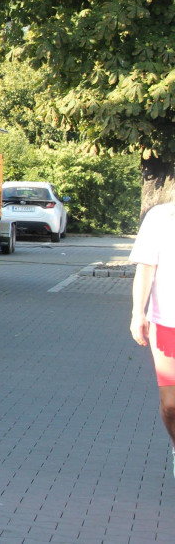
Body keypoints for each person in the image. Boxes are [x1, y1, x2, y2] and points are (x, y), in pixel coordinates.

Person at [128, 202, 175, 477]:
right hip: (166, 323)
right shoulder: (160, 217)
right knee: (170, 405)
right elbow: (146, 268)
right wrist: (138, 313)